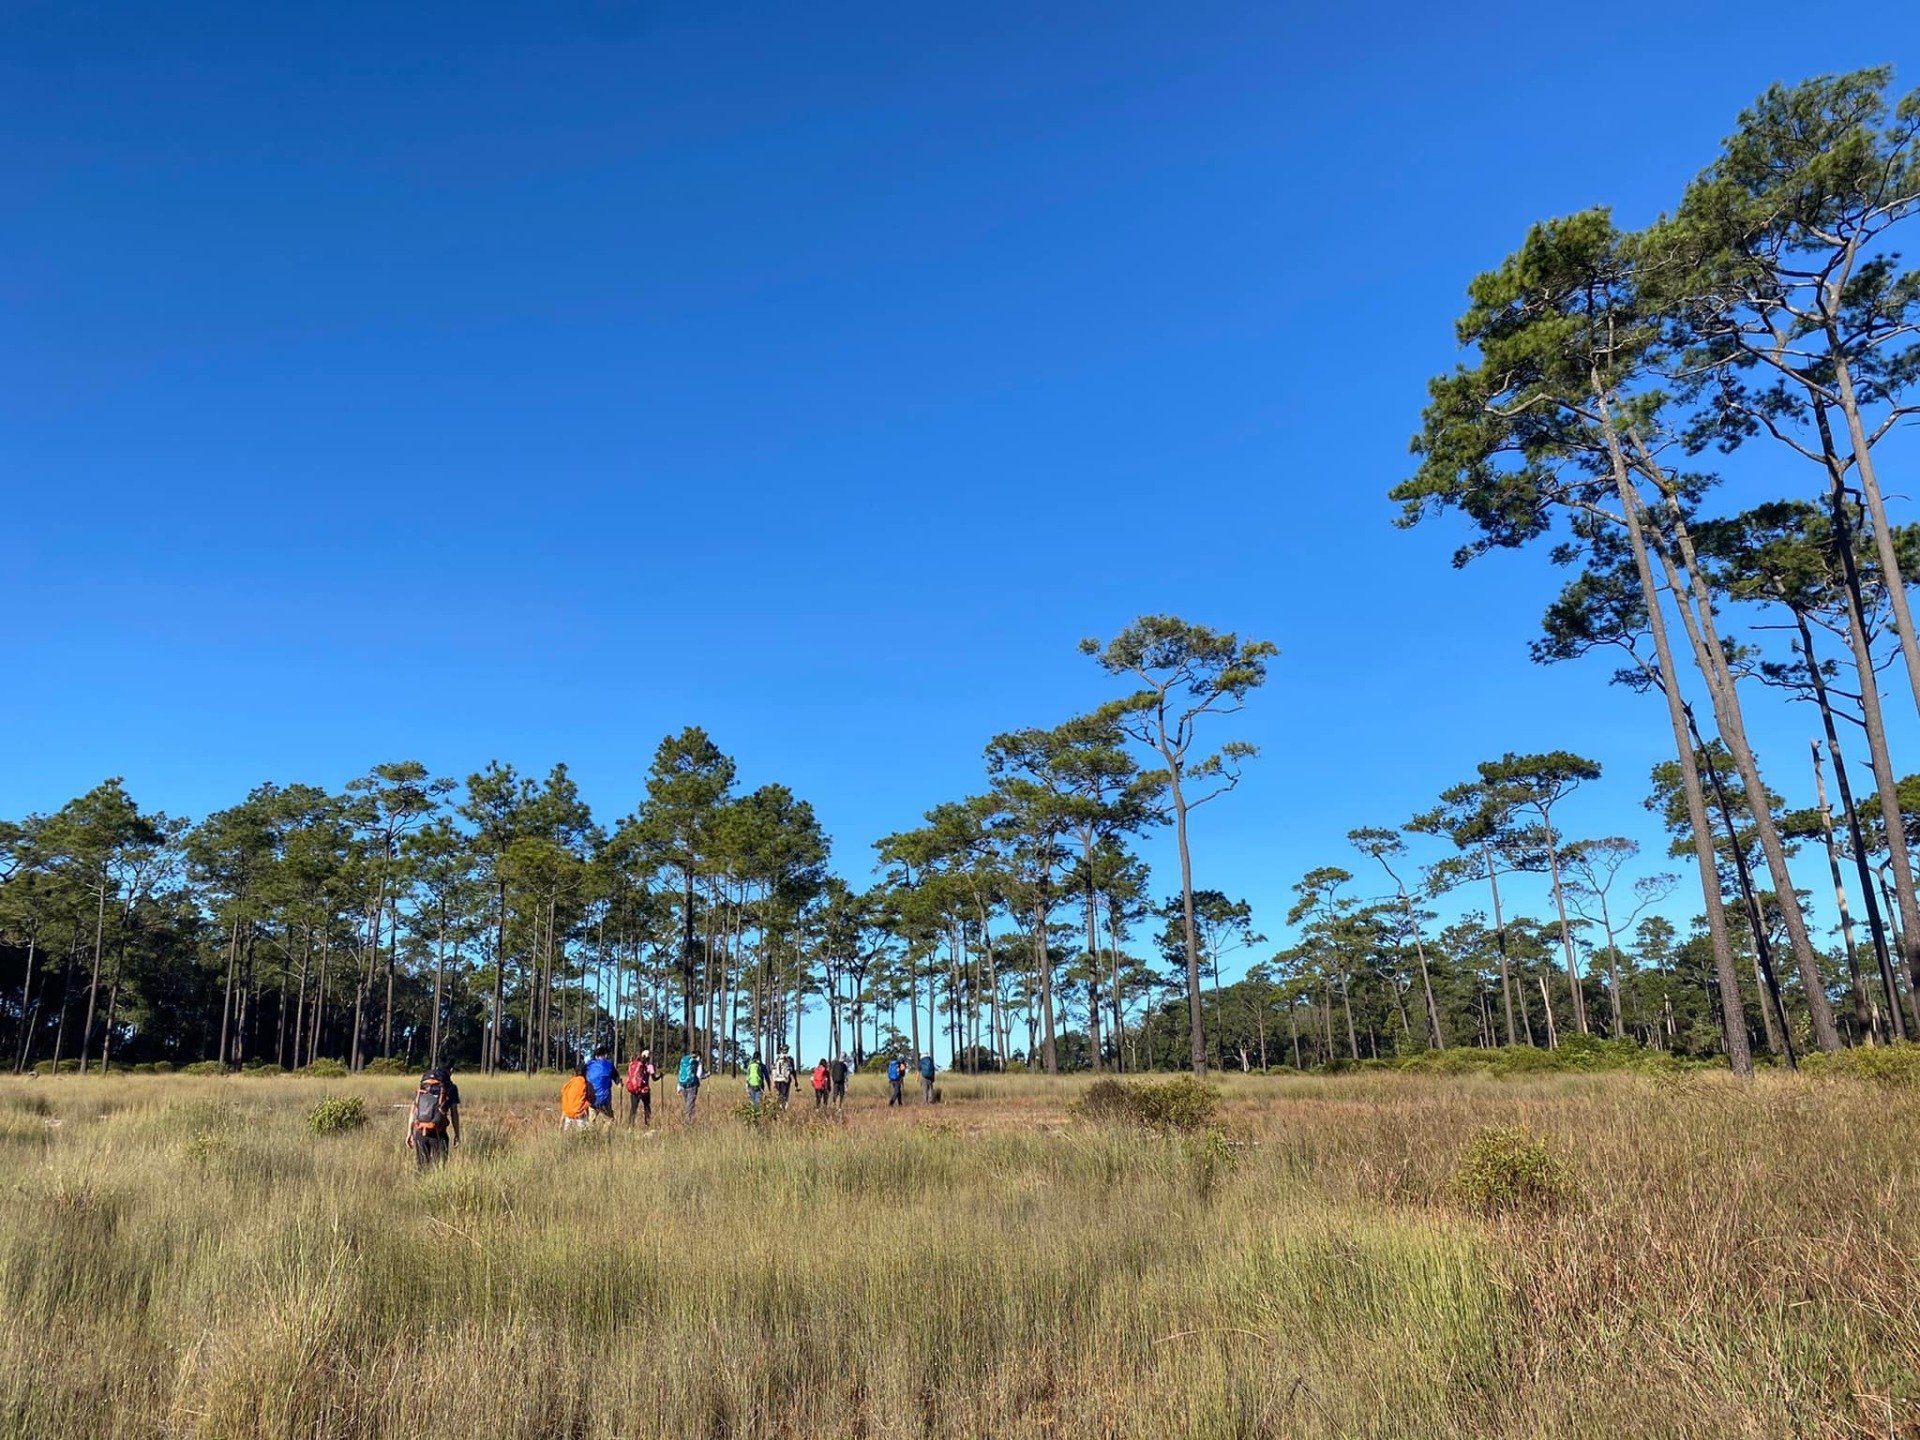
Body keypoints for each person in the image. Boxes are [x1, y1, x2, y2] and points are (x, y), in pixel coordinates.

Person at [406, 1064, 461, 1168]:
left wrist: (409, 1132)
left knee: (422, 1167)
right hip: (439, 1133)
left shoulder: (424, 1085)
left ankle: (420, 1184)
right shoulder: (451, 1087)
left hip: (420, 1131)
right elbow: (454, 1113)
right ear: (451, 1070)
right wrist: (457, 1134)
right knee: (439, 1168)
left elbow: (414, 1110)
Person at [624, 1050, 658, 1128]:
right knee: (647, 1107)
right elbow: (654, 1079)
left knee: (633, 1109)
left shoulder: (634, 1063)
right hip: (644, 1090)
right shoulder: (650, 1066)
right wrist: (660, 1076)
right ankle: (647, 1125)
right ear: (648, 1057)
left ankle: (630, 1126)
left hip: (634, 1090)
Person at [585, 1045, 618, 1123]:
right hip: (604, 1099)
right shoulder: (609, 1065)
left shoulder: (589, 1065)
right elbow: (616, 1077)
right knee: (609, 1119)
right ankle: (605, 1134)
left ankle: (590, 1134)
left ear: (596, 1056)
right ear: (605, 1055)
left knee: (591, 1120)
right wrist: (619, 1083)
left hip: (591, 1099)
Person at [560, 1063, 592, 1130]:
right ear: (586, 1072)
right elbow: (591, 1099)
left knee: (567, 1137)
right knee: (583, 1136)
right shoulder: (586, 1083)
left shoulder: (570, 1082)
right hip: (580, 1115)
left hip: (568, 1114)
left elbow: (564, 1096)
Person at [677, 1050, 704, 1121]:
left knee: (688, 1104)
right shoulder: (697, 1062)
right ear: (699, 1056)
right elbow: (699, 1075)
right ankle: (688, 1124)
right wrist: (706, 1075)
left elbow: (680, 1072)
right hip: (692, 1086)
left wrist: (679, 1086)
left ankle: (690, 1120)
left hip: (682, 1085)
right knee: (690, 1106)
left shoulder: (684, 1060)